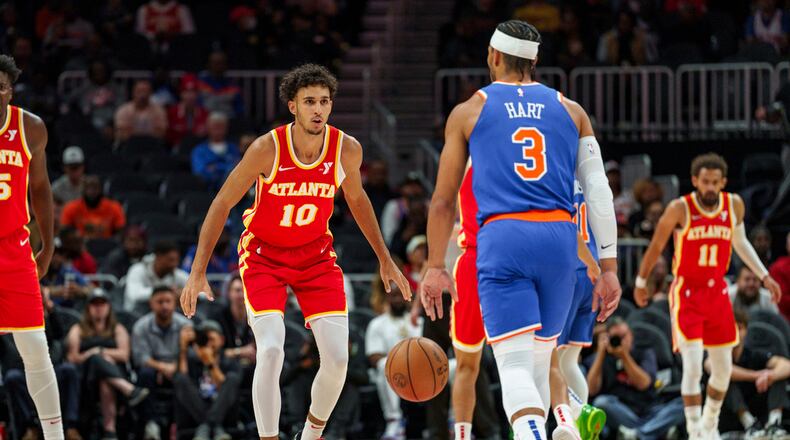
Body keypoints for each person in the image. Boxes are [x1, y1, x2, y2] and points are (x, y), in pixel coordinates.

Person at [180, 64, 411, 440]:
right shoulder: (266, 149)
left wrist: (386, 258)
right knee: (271, 350)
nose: (317, 109)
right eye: (309, 102)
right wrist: (197, 270)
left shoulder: (346, 149)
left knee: (338, 359)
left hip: (315, 258)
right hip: (264, 257)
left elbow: (358, 200)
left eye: (323, 101)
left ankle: (310, 435)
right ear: (293, 106)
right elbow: (222, 204)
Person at [420, 20, 621, 440]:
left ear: (493, 57)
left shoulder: (469, 111)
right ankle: (555, 425)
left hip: (504, 236)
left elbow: (442, 201)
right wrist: (608, 267)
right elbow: (599, 194)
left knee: (512, 364)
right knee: (540, 362)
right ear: (535, 61)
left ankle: (531, 433)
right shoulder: (572, 110)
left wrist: (436, 264)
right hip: (560, 239)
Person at [634, 153, 783, 439]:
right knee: (691, 365)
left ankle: (710, 424)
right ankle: (694, 430)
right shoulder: (680, 208)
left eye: (716, 182)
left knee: (723, 370)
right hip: (687, 291)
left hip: (717, 290)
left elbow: (740, 243)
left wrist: (764, 275)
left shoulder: (733, 204)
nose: (711, 187)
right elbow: (655, 246)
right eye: (705, 182)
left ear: (724, 182)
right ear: (695, 181)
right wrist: (641, 281)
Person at [0, 54, 63, 440]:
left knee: (36, 349)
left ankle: (54, 436)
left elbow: (40, 189)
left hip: (14, 248)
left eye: (1, 85)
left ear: (10, 89)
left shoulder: (30, 128)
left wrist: (48, 245)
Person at [65, 289, 149, 439]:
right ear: (88, 307)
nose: (98, 307)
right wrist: (93, 354)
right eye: (94, 304)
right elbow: (72, 357)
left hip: (113, 375)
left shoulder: (118, 328)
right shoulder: (78, 329)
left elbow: (124, 355)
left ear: (109, 306)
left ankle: (109, 432)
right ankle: (130, 391)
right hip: (86, 379)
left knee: (104, 376)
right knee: (96, 359)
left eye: (102, 303)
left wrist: (101, 352)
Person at [586, 318, 685, 440]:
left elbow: (644, 384)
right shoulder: (601, 358)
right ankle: (652, 431)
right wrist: (601, 352)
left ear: (631, 335)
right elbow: (591, 390)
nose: (621, 341)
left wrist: (624, 357)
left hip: (650, 409)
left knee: (685, 403)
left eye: (624, 336)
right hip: (622, 412)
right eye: (616, 338)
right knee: (601, 402)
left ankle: (639, 434)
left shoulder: (644, 352)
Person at [712, 311, 790, 438]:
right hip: (728, 416)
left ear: (746, 330)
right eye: (730, 328)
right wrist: (757, 375)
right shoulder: (714, 353)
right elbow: (720, 369)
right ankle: (749, 423)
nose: (735, 332)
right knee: (722, 379)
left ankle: (774, 423)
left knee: (777, 376)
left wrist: (770, 376)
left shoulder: (753, 353)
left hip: (757, 408)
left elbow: (786, 365)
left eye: (739, 328)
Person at [132, 286, 192, 440]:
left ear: (175, 303)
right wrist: (162, 367)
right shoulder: (141, 326)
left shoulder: (185, 326)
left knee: (184, 376)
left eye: (168, 301)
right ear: (151, 303)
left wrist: (173, 367)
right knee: (146, 373)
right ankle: (151, 425)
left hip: (177, 368)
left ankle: (178, 426)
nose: (164, 305)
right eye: (160, 302)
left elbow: (190, 356)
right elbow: (141, 358)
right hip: (153, 371)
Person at [365, 286, 422, 439]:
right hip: (393, 372)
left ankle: (454, 421)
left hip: (420, 371)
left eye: (401, 296)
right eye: (393, 296)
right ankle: (394, 421)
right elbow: (374, 357)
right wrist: (401, 362)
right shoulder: (377, 324)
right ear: (387, 299)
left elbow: (432, 352)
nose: (397, 300)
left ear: (408, 297)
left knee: (455, 366)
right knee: (384, 365)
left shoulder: (419, 321)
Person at [174, 320, 242, 440]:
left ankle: (206, 425)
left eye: (211, 339)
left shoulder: (230, 362)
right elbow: (182, 383)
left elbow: (227, 390)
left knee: (232, 379)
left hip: (224, 413)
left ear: (221, 340)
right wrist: (183, 349)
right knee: (180, 378)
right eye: (204, 341)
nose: (208, 344)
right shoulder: (192, 360)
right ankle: (214, 426)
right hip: (196, 408)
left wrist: (210, 363)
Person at [124, 240, 188, 312]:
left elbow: (201, 292)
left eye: (177, 260)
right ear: (158, 256)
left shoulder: (175, 272)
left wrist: (184, 293)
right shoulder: (138, 269)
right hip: (136, 314)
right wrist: (167, 291)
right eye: (171, 260)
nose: (174, 264)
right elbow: (134, 295)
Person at [60, 175, 126, 239]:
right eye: (88, 188)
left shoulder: (114, 207)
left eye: (95, 187)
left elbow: (121, 231)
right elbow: (65, 231)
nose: (91, 191)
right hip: (80, 245)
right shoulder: (70, 207)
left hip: (106, 246)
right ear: (82, 189)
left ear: (101, 189)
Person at [190, 112, 241, 190]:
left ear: (226, 128)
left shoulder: (233, 148)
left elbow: (240, 170)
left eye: (221, 126)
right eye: (215, 127)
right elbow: (201, 174)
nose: (218, 130)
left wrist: (215, 167)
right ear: (208, 128)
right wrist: (227, 167)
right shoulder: (199, 151)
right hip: (209, 192)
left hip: (235, 190)